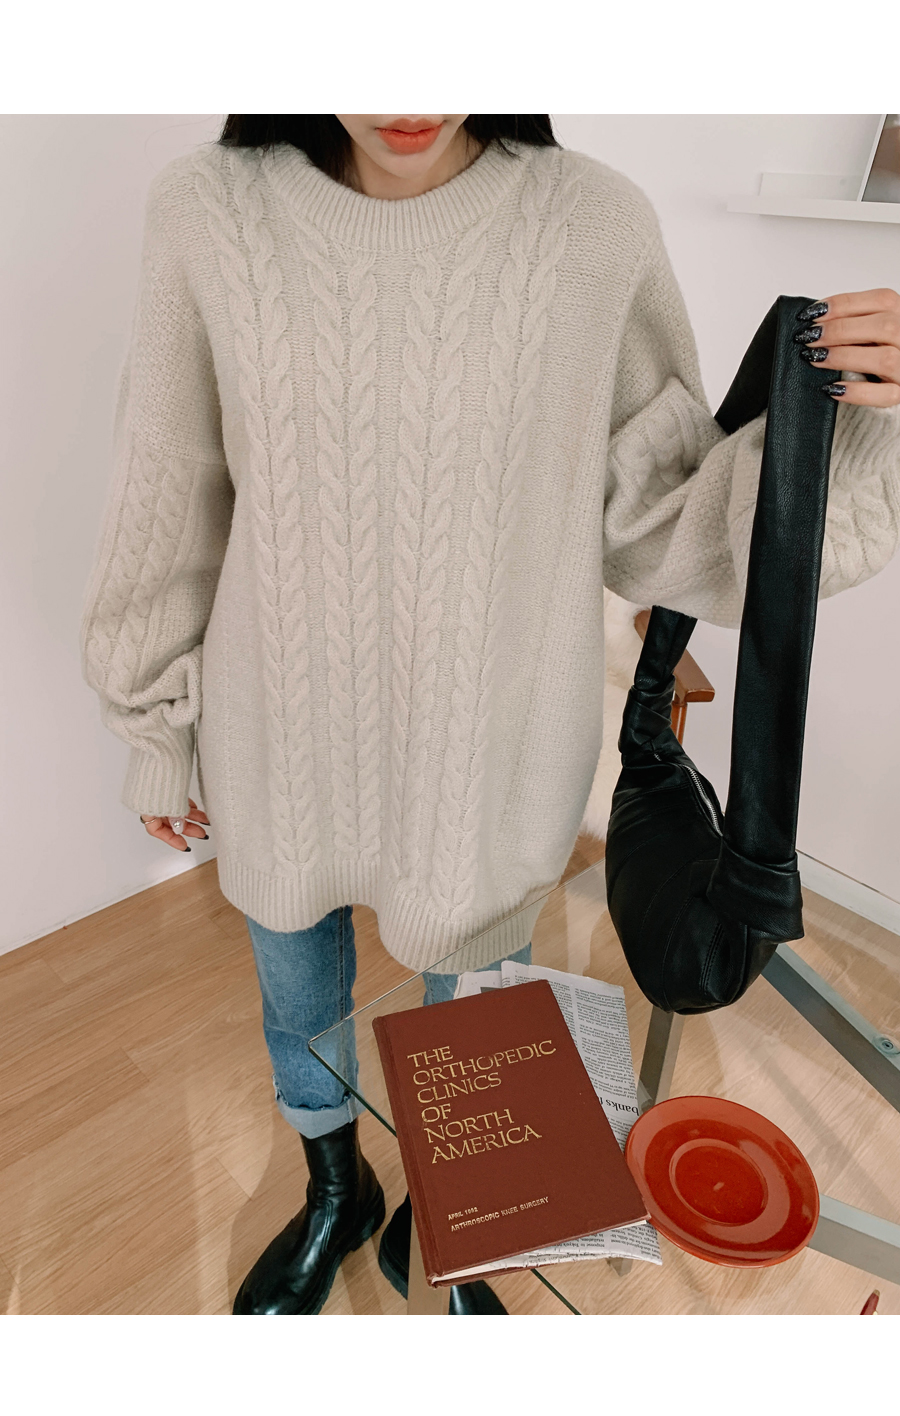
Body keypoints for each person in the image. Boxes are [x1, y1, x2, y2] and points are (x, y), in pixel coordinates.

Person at [80, 114, 900, 1316]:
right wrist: (153, 718)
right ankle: (335, 1191)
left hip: (494, 747)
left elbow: (665, 520)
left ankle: (455, 1214)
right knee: (298, 1001)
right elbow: (169, 479)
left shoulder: (592, 223)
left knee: (475, 1021)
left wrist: (857, 422)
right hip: (277, 732)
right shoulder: (208, 209)